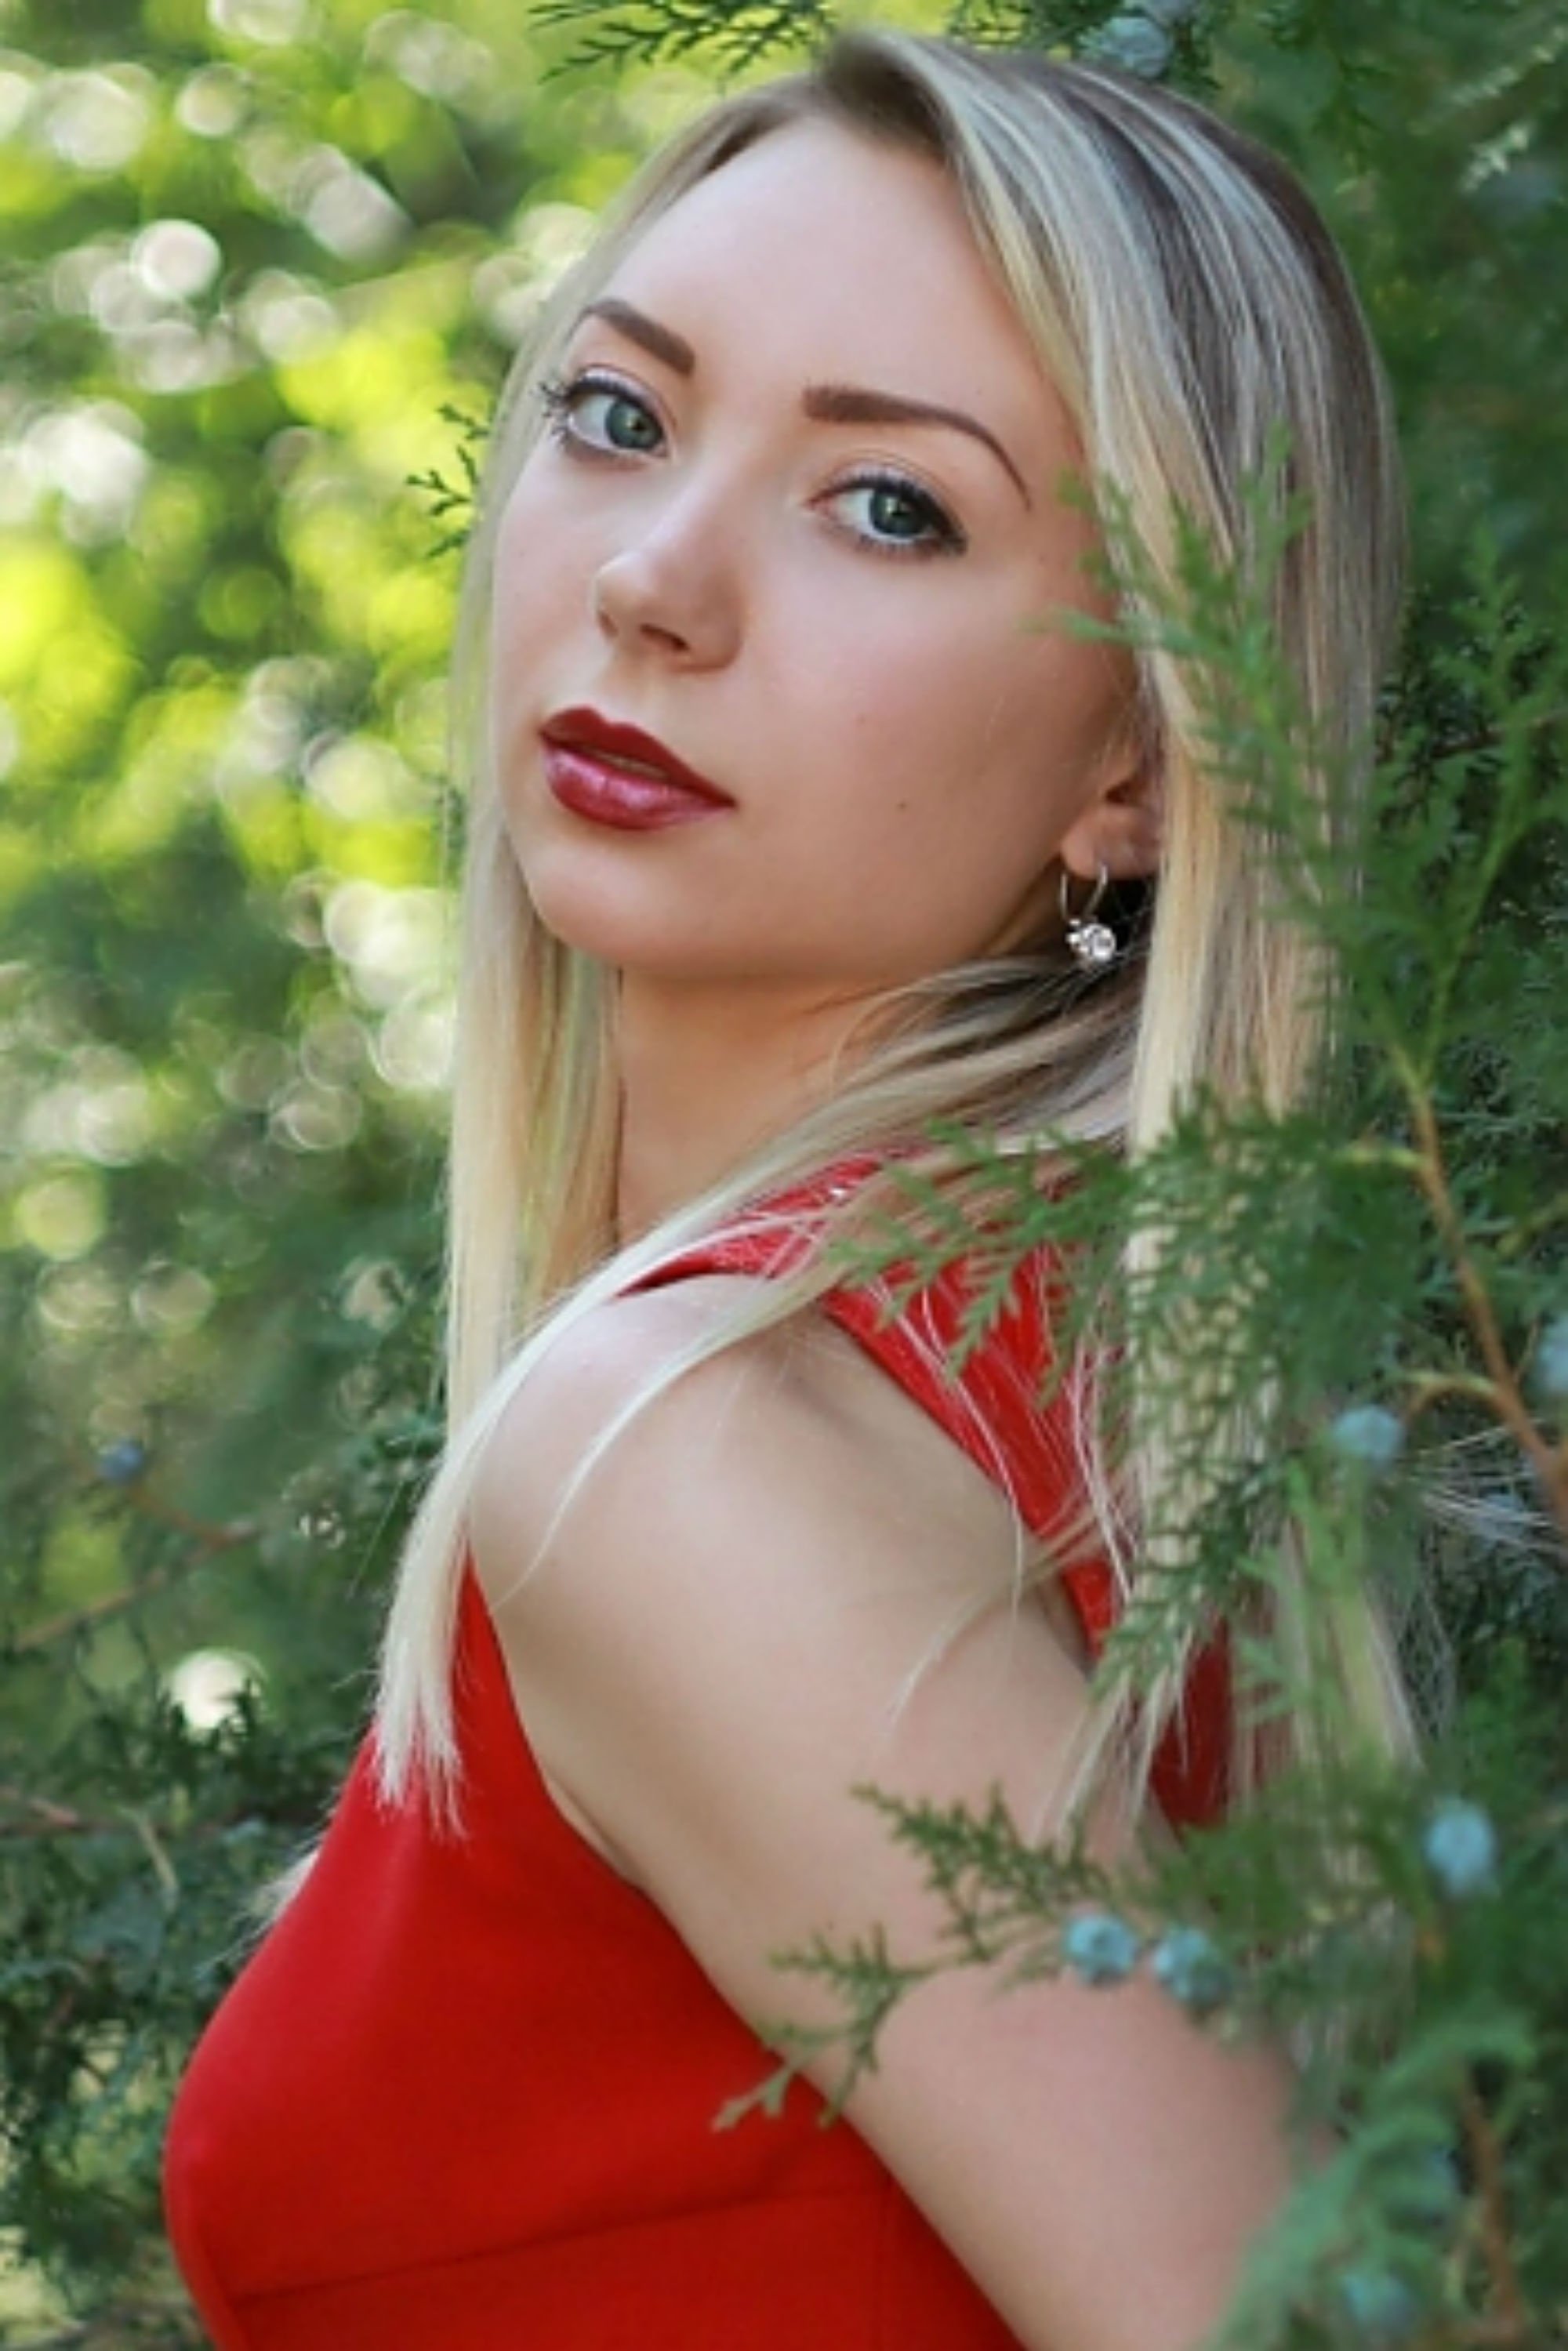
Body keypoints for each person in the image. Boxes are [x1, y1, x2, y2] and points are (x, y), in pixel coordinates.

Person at [162, 27, 1417, 2349]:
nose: (653, 581)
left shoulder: (690, 1450)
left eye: (890, 507)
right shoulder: (1086, 1398)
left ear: (1145, 763)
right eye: (619, 415)